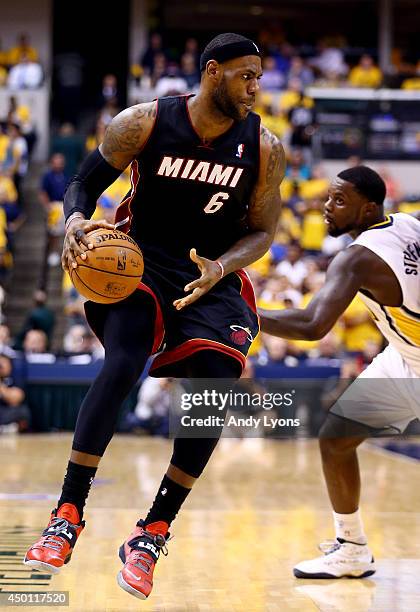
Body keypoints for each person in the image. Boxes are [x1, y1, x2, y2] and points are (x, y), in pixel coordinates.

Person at [24, 32, 285, 600]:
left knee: (216, 387)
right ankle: (67, 512)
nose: (255, 87)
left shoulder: (264, 147)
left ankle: (152, 532)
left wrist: (221, 266)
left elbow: (264, 231)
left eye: (259, 76)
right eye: (246, 75)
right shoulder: (143, 122)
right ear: (212, 71)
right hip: (138, 258)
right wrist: (73, 221)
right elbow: (84, 183)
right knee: (123, 359)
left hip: (209, 274)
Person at [259, 166, 419, 579]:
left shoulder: (357, 259)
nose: (326, 208)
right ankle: (350, 547)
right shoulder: (404, 222)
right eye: (329, 198)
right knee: (336, 438)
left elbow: (313, 325)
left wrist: (244, 314)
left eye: (340, 201)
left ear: (367, 209)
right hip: (404, 357)